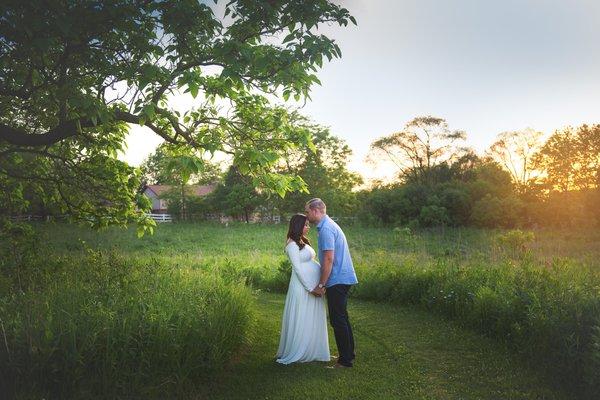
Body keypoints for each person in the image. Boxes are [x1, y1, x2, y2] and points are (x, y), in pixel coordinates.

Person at [304, 198, 358, 368]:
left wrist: (321, 285)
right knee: (342, 317)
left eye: (307, 212)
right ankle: (349, 354)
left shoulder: (326, 229)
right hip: (342, 277)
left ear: (315, 211)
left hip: (337, 279)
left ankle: (345, 361)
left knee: (337, 320)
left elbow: (328, 259)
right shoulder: (327, 225)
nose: (307, 215)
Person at [275, 214, 330, 364]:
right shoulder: (292, 244)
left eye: (308, 224)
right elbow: (298, 269)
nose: (308, 227)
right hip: (303, 286)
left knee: (312, 316)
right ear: (298, 226)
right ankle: (299, 349)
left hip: (313, 285)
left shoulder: (302, 241)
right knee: (303, 315)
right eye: (305, 225)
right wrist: (310, 288)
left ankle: (313, 349)